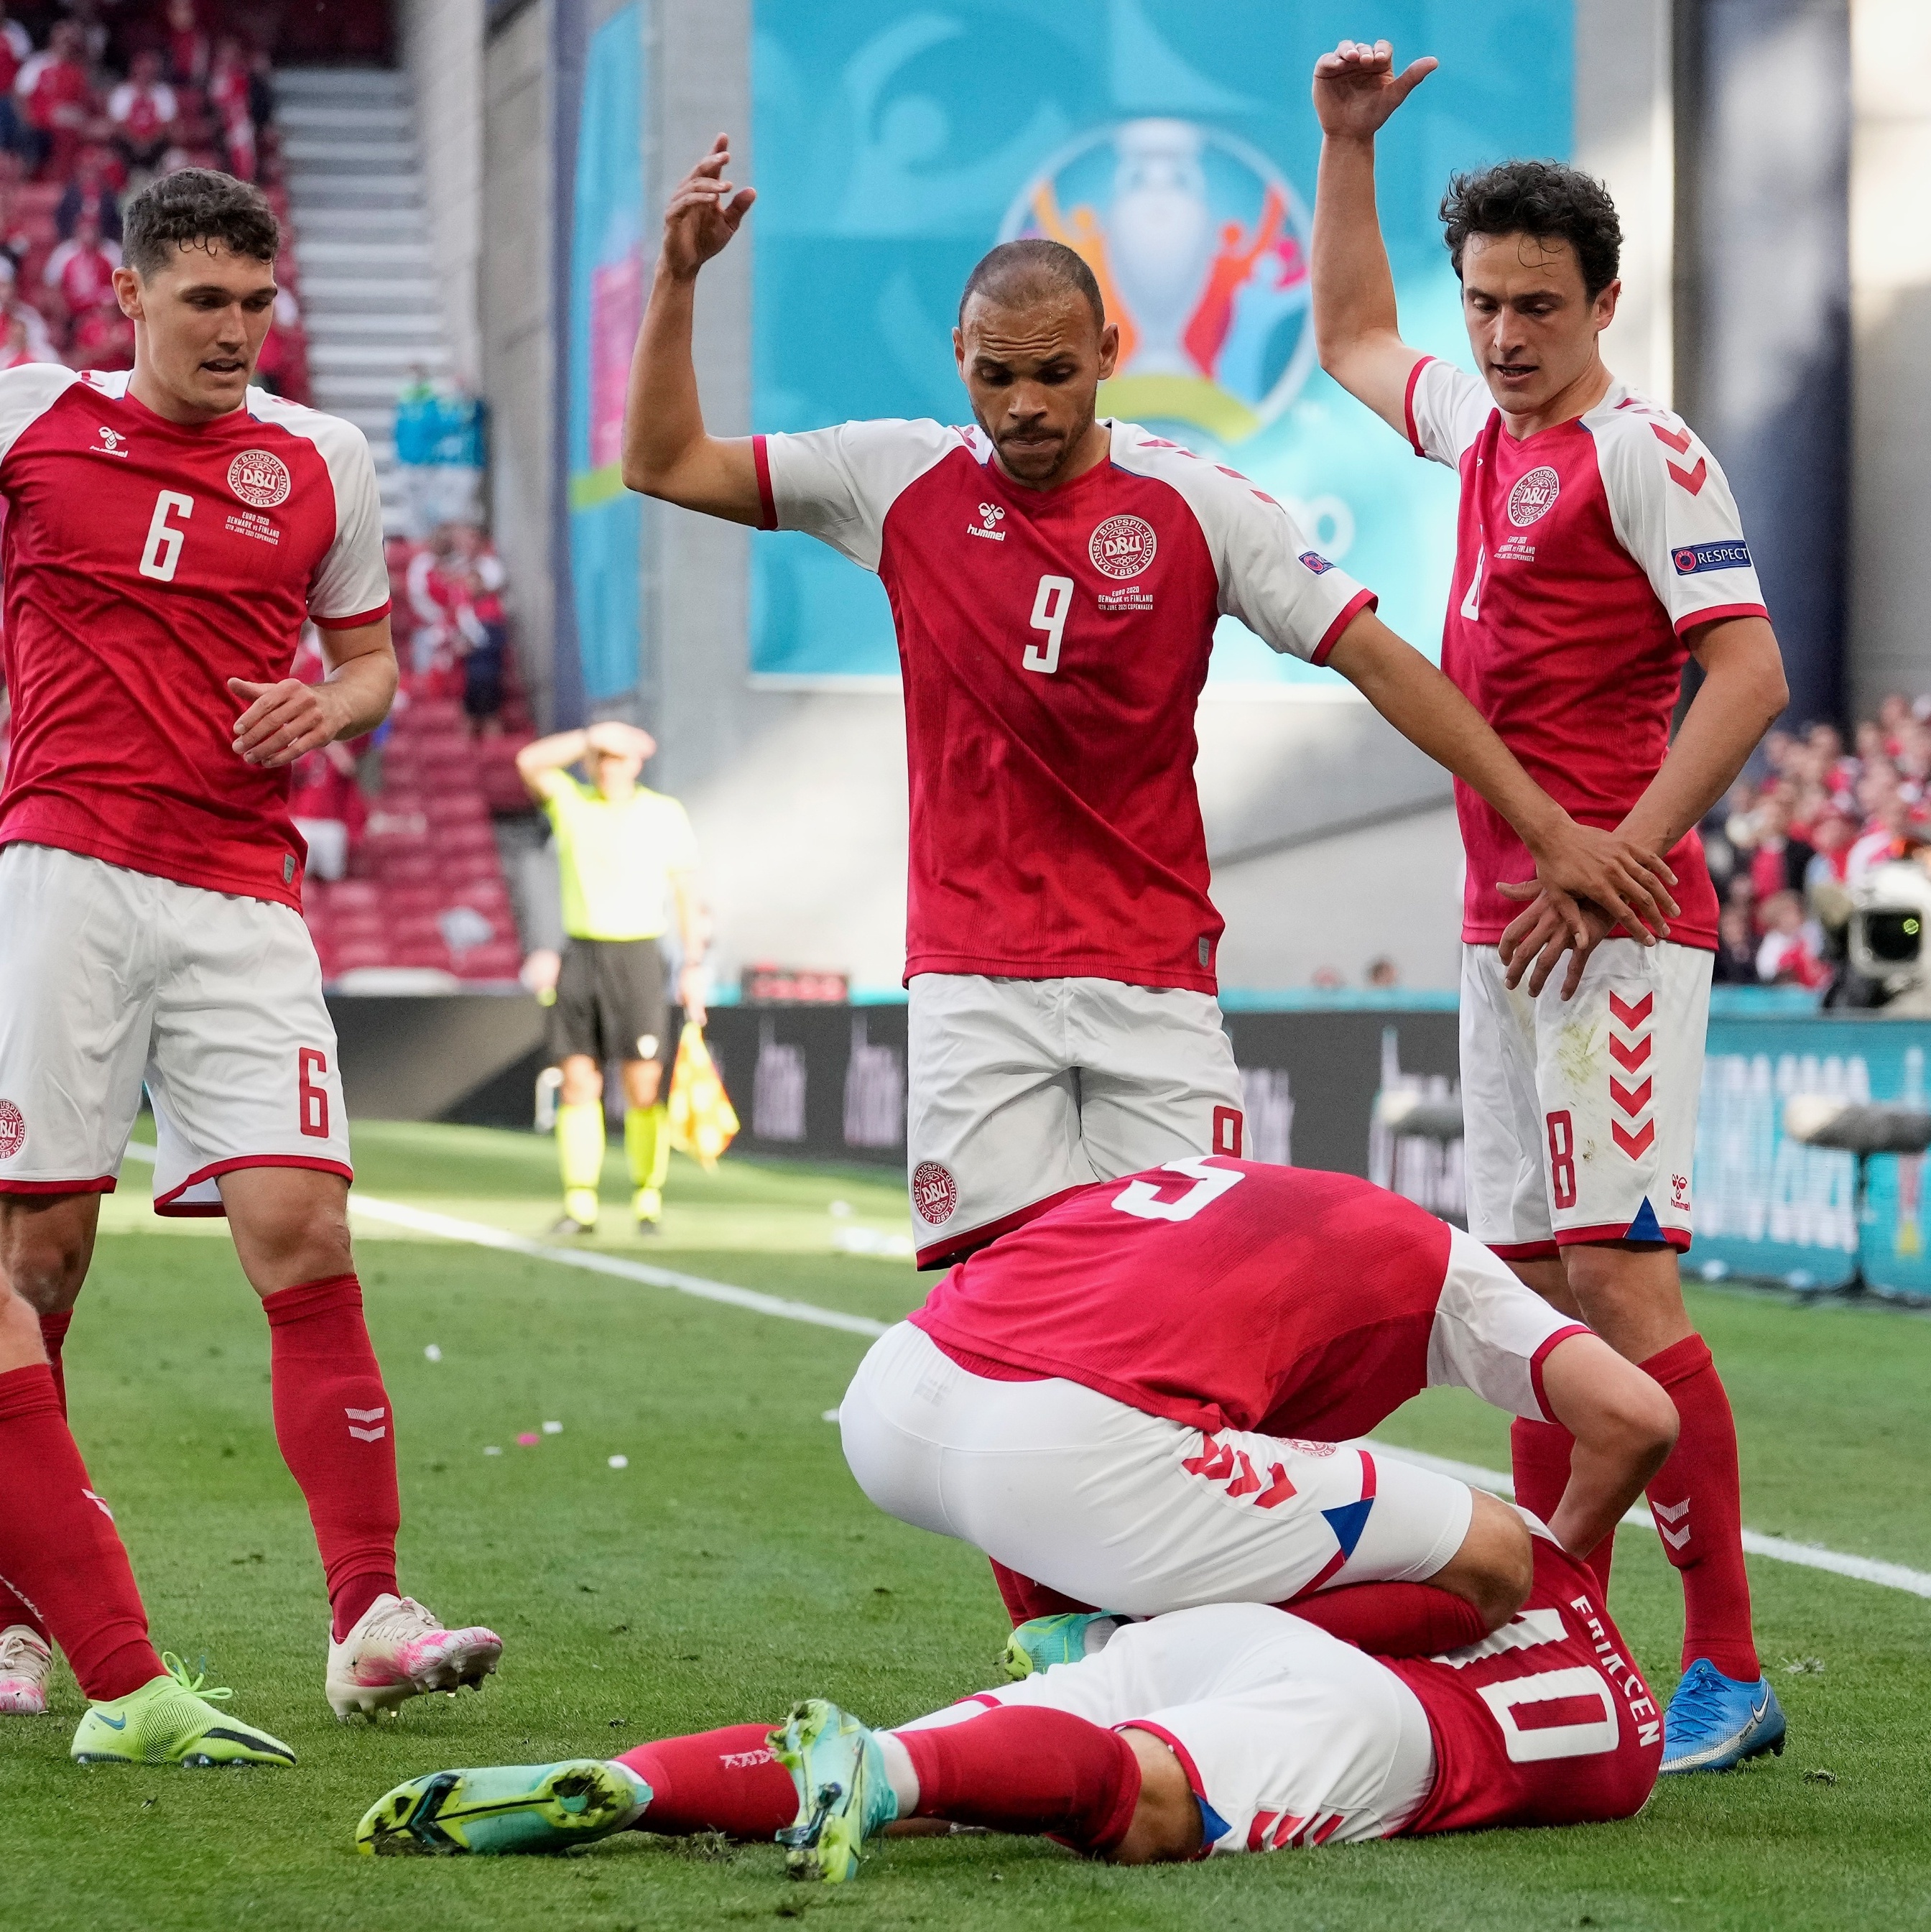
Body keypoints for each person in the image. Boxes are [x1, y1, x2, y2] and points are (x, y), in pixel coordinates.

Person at [624, 136, 1675, 1272]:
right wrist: (677, 278)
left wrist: (1550, 827)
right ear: (959, 357)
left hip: (1155, 977)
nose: (1024, 406)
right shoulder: (895, 477)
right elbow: (666, 461)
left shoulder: (1199, 506)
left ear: (1110, 354)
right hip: (973, 975)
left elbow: (1384, 662)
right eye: (996, 376)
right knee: (995, 1314)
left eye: (1056, 374)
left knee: (1184, 1301)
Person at [1309, 39, 1793, 1772]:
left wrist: (1624, 849)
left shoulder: (1646, 454)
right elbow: (1356, 341)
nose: (1503, 337)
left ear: (1600, 305)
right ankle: (1564, 1641)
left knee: (1622, 1292)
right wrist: (1345, 147)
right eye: (1488, 304)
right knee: (1518, 1296)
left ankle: (1724, 1669)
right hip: (1496, 930)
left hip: (1617, 933)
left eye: (1537, 306)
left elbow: (1746, 669)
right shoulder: (1479, 429)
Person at [0, 168, 501, 1760]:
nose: (233, 330)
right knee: (41, 1255)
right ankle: (14, 1619)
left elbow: (367, 666)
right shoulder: (28, 417)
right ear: (129, 295)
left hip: (239, 888)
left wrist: (327, 708)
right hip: (65, 868)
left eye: (255, 303)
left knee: (303, 1225)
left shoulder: (319, 459)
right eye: (203, 301)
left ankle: (369, 1617)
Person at [353, 1530, 1663, 1876]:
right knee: (1136, 1799)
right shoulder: (1634, 1751)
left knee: (965, 1753)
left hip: (1242, 1639)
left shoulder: (1515, 1553)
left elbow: (1350, 1598)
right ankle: (874, 1779)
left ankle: (642, 1779)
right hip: (1391, 1738)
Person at [838, 1155, 1677, 1665]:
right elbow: (1639, 1417)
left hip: (892, 1396)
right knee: (1495, 1554)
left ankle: (1070, 1659)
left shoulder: (1220, 1189)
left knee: (1137, 1450)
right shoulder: (1453, 1270)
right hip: (1069, 1450)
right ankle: (1125, 1664)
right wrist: (1555, 1564)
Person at [515, 720, 708, 1235]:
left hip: (640, 955)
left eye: (618, 757)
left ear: (636, 764)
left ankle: (647, 1198)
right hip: (582, 954)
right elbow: (530, 761)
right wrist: (591, 734)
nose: (608, 766)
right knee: (578, 1079)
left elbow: (688, 896)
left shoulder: (664, 813)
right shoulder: (572, 803)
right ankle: (581, 1204)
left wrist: (693, 964)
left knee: (643, 1083)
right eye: (601, 757)